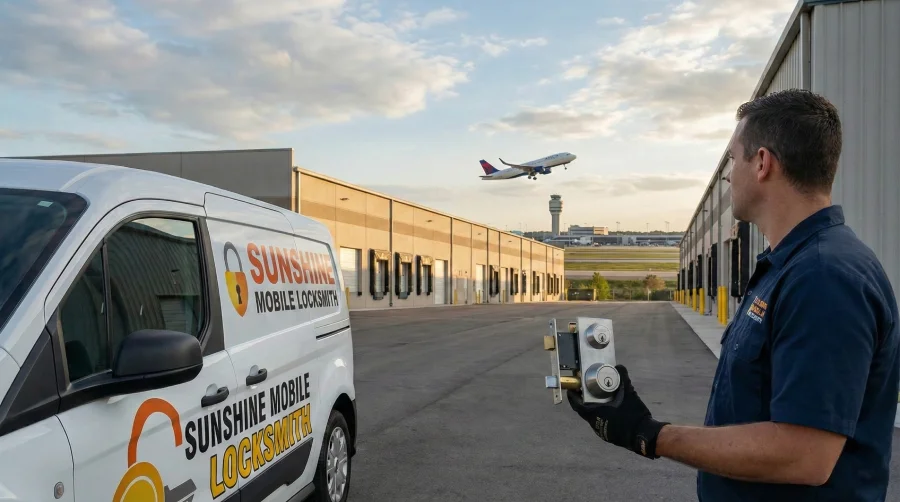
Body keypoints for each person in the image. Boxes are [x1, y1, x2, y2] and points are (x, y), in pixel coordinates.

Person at [567, 88, 900, 501]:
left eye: (731, 159)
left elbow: (805, 456)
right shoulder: (789, 266)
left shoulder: (823, 277)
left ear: (762, 163)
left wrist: (649, 434)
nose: (728, 175)